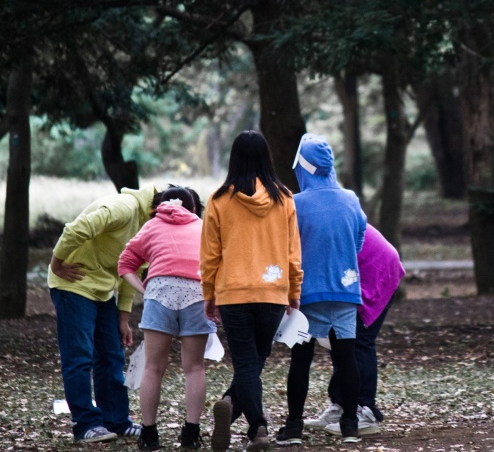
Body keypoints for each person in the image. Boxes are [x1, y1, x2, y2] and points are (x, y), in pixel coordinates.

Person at [201, 130, 303, 452]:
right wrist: (294, 290)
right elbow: (292, 251)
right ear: (266, 158)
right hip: (272, 292)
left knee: (248, 362)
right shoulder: (284, 198)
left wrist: (209, 293)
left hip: (233, 293)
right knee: (255, 360)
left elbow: (210, 255)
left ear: (234, 159)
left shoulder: (218, 200)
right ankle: (256, 427)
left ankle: (235, 406)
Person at [275, 134, 367, 446]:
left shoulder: (295, 204)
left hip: (307, 293)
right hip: (345, 289)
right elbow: (359, 239)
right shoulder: (351, 199)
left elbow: (287, 248)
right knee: (347, 359)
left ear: (302, 166)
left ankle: (294, 427)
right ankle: (350, 425)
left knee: (301, 360)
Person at [48, 185, 158, 444]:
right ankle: (85, 424)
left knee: (111, 355)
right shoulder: (124, 208)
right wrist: (56, 264)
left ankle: (116, 421)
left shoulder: (149, 227)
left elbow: (133, 267)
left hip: (103, 290)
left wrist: (123, 317)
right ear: (157, 209)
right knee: (80, 357)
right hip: (73, 284)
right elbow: (76, 228)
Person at [118, 185, 215, 451]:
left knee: (153, 367)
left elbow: (125, 263)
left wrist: (145, 289)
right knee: (194, 368)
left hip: (159, 292)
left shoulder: (151, 226)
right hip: (197, 292)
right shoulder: (203, 227)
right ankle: (191, 434)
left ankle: (148, 435)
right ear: (193, 208)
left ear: (159, 205)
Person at [305, 223, 405, 436]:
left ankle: (366, 411)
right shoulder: (308, 213)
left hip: (377, 270)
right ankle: (342, 404)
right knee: (339, 338)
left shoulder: (303, 216)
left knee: (358, 341)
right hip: (354, 273)